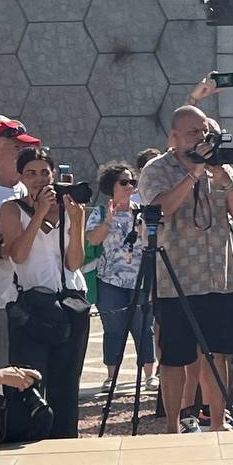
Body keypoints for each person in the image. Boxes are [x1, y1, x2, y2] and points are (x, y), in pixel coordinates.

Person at [138, 106, 233, 433]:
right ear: (172, 137)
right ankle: (173, 427)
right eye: (193, 132)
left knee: (219, 355)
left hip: (219, 277)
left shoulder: (221, 169)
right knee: (175, 359)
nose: (202, 138)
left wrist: (225, 181)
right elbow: (158, 208)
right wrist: (193, 174)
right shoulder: (156, 170)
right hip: (176, 280)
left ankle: (218, 424)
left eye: (205, 132)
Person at [0, 147, 89, 439]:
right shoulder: (11, 208)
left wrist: (76, 222)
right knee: (30, 380)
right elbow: (19, 255)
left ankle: (64, 439)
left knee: (67, 382)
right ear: (21, 177)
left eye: (44, 173)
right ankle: (27, 439)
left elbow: (75, 262)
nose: (39, 179)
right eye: (31, 173)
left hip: (69, 302)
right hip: (32, 305)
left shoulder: (70, 207)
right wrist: (38, 214)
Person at [85, 162, 156, 393]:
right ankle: (111, 377)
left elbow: (153, 241)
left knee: (144, 328)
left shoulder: (141, 211)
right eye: (123, 182)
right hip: (110, 280)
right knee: (113, 329)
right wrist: (108, 221)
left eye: (132, 182)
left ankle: (149, 375)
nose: (129, 187)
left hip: (140, 279)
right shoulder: (100, 212)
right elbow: (93, 240)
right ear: (111, 186)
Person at [0, 117, 41, 370]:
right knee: (1, 375)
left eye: (24, 147)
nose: (23, 153)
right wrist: (1, 248)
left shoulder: (32, 189)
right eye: (15, 147)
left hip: (38, 295)